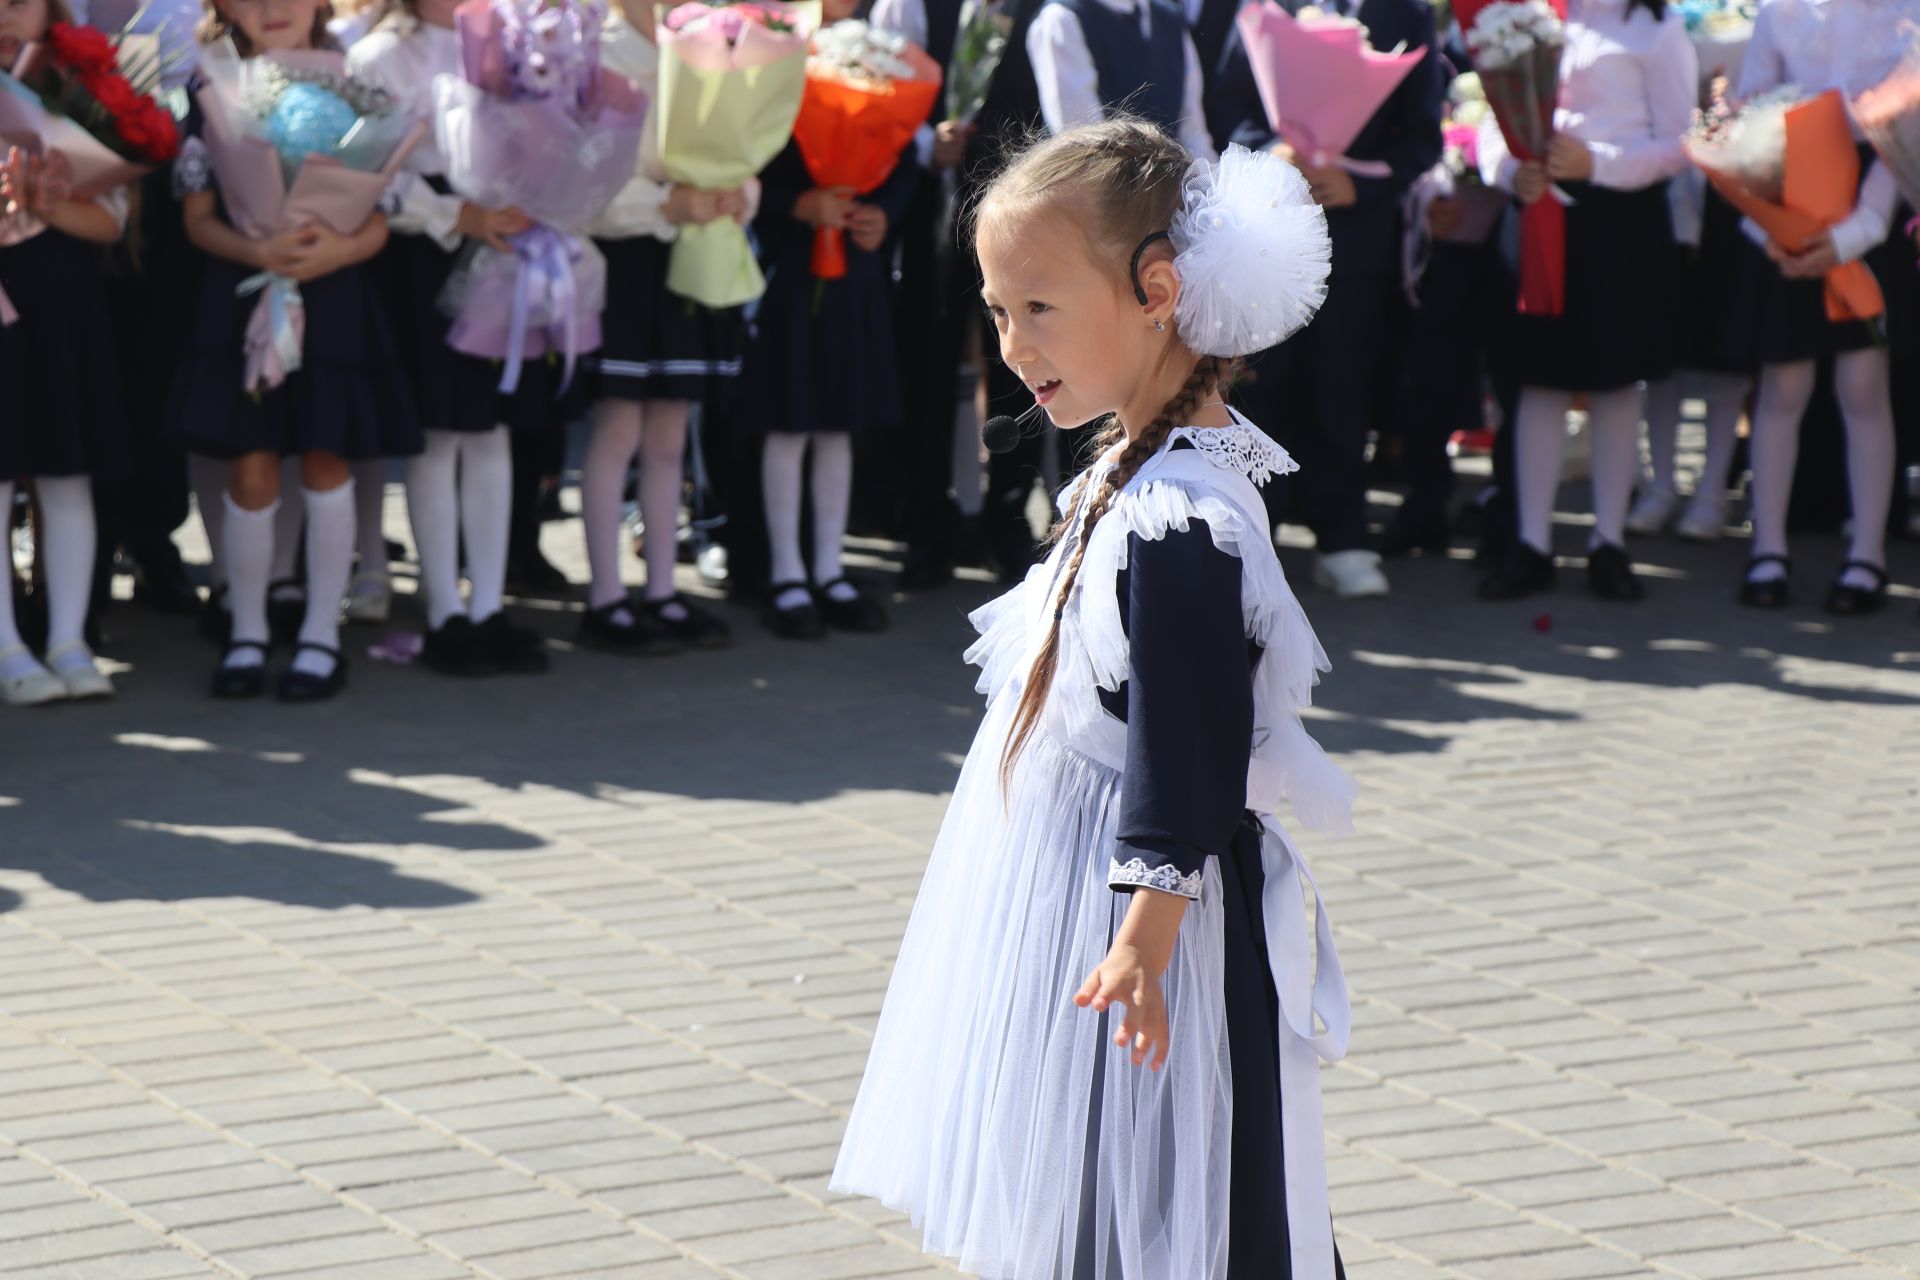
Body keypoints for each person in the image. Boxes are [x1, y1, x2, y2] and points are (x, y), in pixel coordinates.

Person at [831, 120, 1356, 1280]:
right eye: (997, 309)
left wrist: (1143, 936)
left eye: (1039, 307)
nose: (1012, 343)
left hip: (1157, 932)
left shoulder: (1184, 515)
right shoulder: (1130, 459)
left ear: (1156, 288)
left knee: (1204, 1195)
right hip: (1089, 901)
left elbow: (1193, 730)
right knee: (1102, 1184)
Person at [169, 0, 420, 701]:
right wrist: (256, 248)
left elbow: (380, 215)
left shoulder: (359, 81)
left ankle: (319, 634)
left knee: (325, 456)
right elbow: (197, 217)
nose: (272, 8)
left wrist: (339, 247)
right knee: (250, 464)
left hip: (333, 295)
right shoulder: (208, 86)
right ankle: (246, 630)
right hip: (245, 294)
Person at [348, 0, 553, 676]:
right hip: (428, 255)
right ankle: (443, 611)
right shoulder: (381, 53)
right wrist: (453, 213)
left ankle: (488, 605)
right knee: (439, 434)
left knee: (491, 428)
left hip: (502, 241)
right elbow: (370, 173)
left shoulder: (515, 42)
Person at [1213, 0, 1445, 598]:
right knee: (1262, 385)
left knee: (1344, 388)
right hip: (1268, 235)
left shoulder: (1408, 13)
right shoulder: (1265, 10)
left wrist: (1362, 182)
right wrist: (1271, 153)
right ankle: (1249, 537)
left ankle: (1343, 535)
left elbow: (1421, 138)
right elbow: (1229, 110)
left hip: (1357, 241)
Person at [1476, 0, 1697, 602]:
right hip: (1541, 209)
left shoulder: (1658, 25)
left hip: (1620, 221)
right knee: (1539, 381)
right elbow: (1493, 118)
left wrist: (1597, 162)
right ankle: (1532, 545)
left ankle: (1608, 542)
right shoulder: (1530, 15)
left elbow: (1681, 141)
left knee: (1615, 382)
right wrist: (1506, 170)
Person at [1724, 0, 1913, 614]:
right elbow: (1753, 106)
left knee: (1863, 386)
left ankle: (1867, 555)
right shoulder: (1780, 9)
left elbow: (1905, 127)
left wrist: (1856, 232)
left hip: (1872, 195)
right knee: (1782, 386)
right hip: (1791, 197)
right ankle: (1769, 550)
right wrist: (1776, 229)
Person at [744, 0, 918, 640]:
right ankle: (786, 573)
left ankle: (828, 569)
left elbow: (900, 151)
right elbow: (745, 154)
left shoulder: (876, 53)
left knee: (838, 422)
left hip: (854, 264)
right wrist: (798, 203)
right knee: (790, 419)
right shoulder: (775, 52)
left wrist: (881, 213)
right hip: (792, 265)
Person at [576, 0, 744, 654]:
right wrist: (666, 203)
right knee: (618, 425)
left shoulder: (712, 42)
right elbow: (585, 174)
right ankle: (605, 599)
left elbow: (738, 143)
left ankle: (662, 593)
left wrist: (735, 193)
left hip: (694, 249)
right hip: (626, 254)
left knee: (671, 429)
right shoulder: (596, 47)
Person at [0, 0, 127, 706]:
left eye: (21, 0)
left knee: (67, 472)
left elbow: (111, 221)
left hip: (62, 305)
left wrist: (44, 204)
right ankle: (8, 647)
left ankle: (70, 640)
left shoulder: (80, 90)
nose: (6, 15)